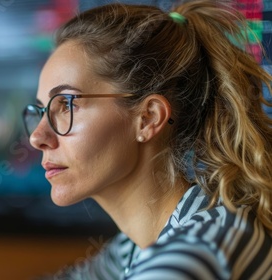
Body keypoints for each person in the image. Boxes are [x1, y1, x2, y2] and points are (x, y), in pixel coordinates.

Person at [22, 0, 272, 279]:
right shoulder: (132, 248)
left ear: (148, 118)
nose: (37, 137)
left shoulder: (196, 255)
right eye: (41, 111)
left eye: (66, 105)